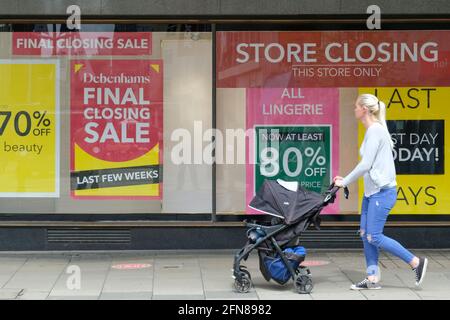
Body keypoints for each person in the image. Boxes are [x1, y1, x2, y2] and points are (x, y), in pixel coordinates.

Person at [333, 94, 428, 290]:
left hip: (382, 193)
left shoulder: (375, 131)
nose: (354, 110)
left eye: (356, 106)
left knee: (374, 236)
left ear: (364, 110)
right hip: (371, 194)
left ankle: (416, 262)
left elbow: (366, 164)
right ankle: (372, 278)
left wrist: (345, 181)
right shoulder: (373, 130)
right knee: (365, 233)